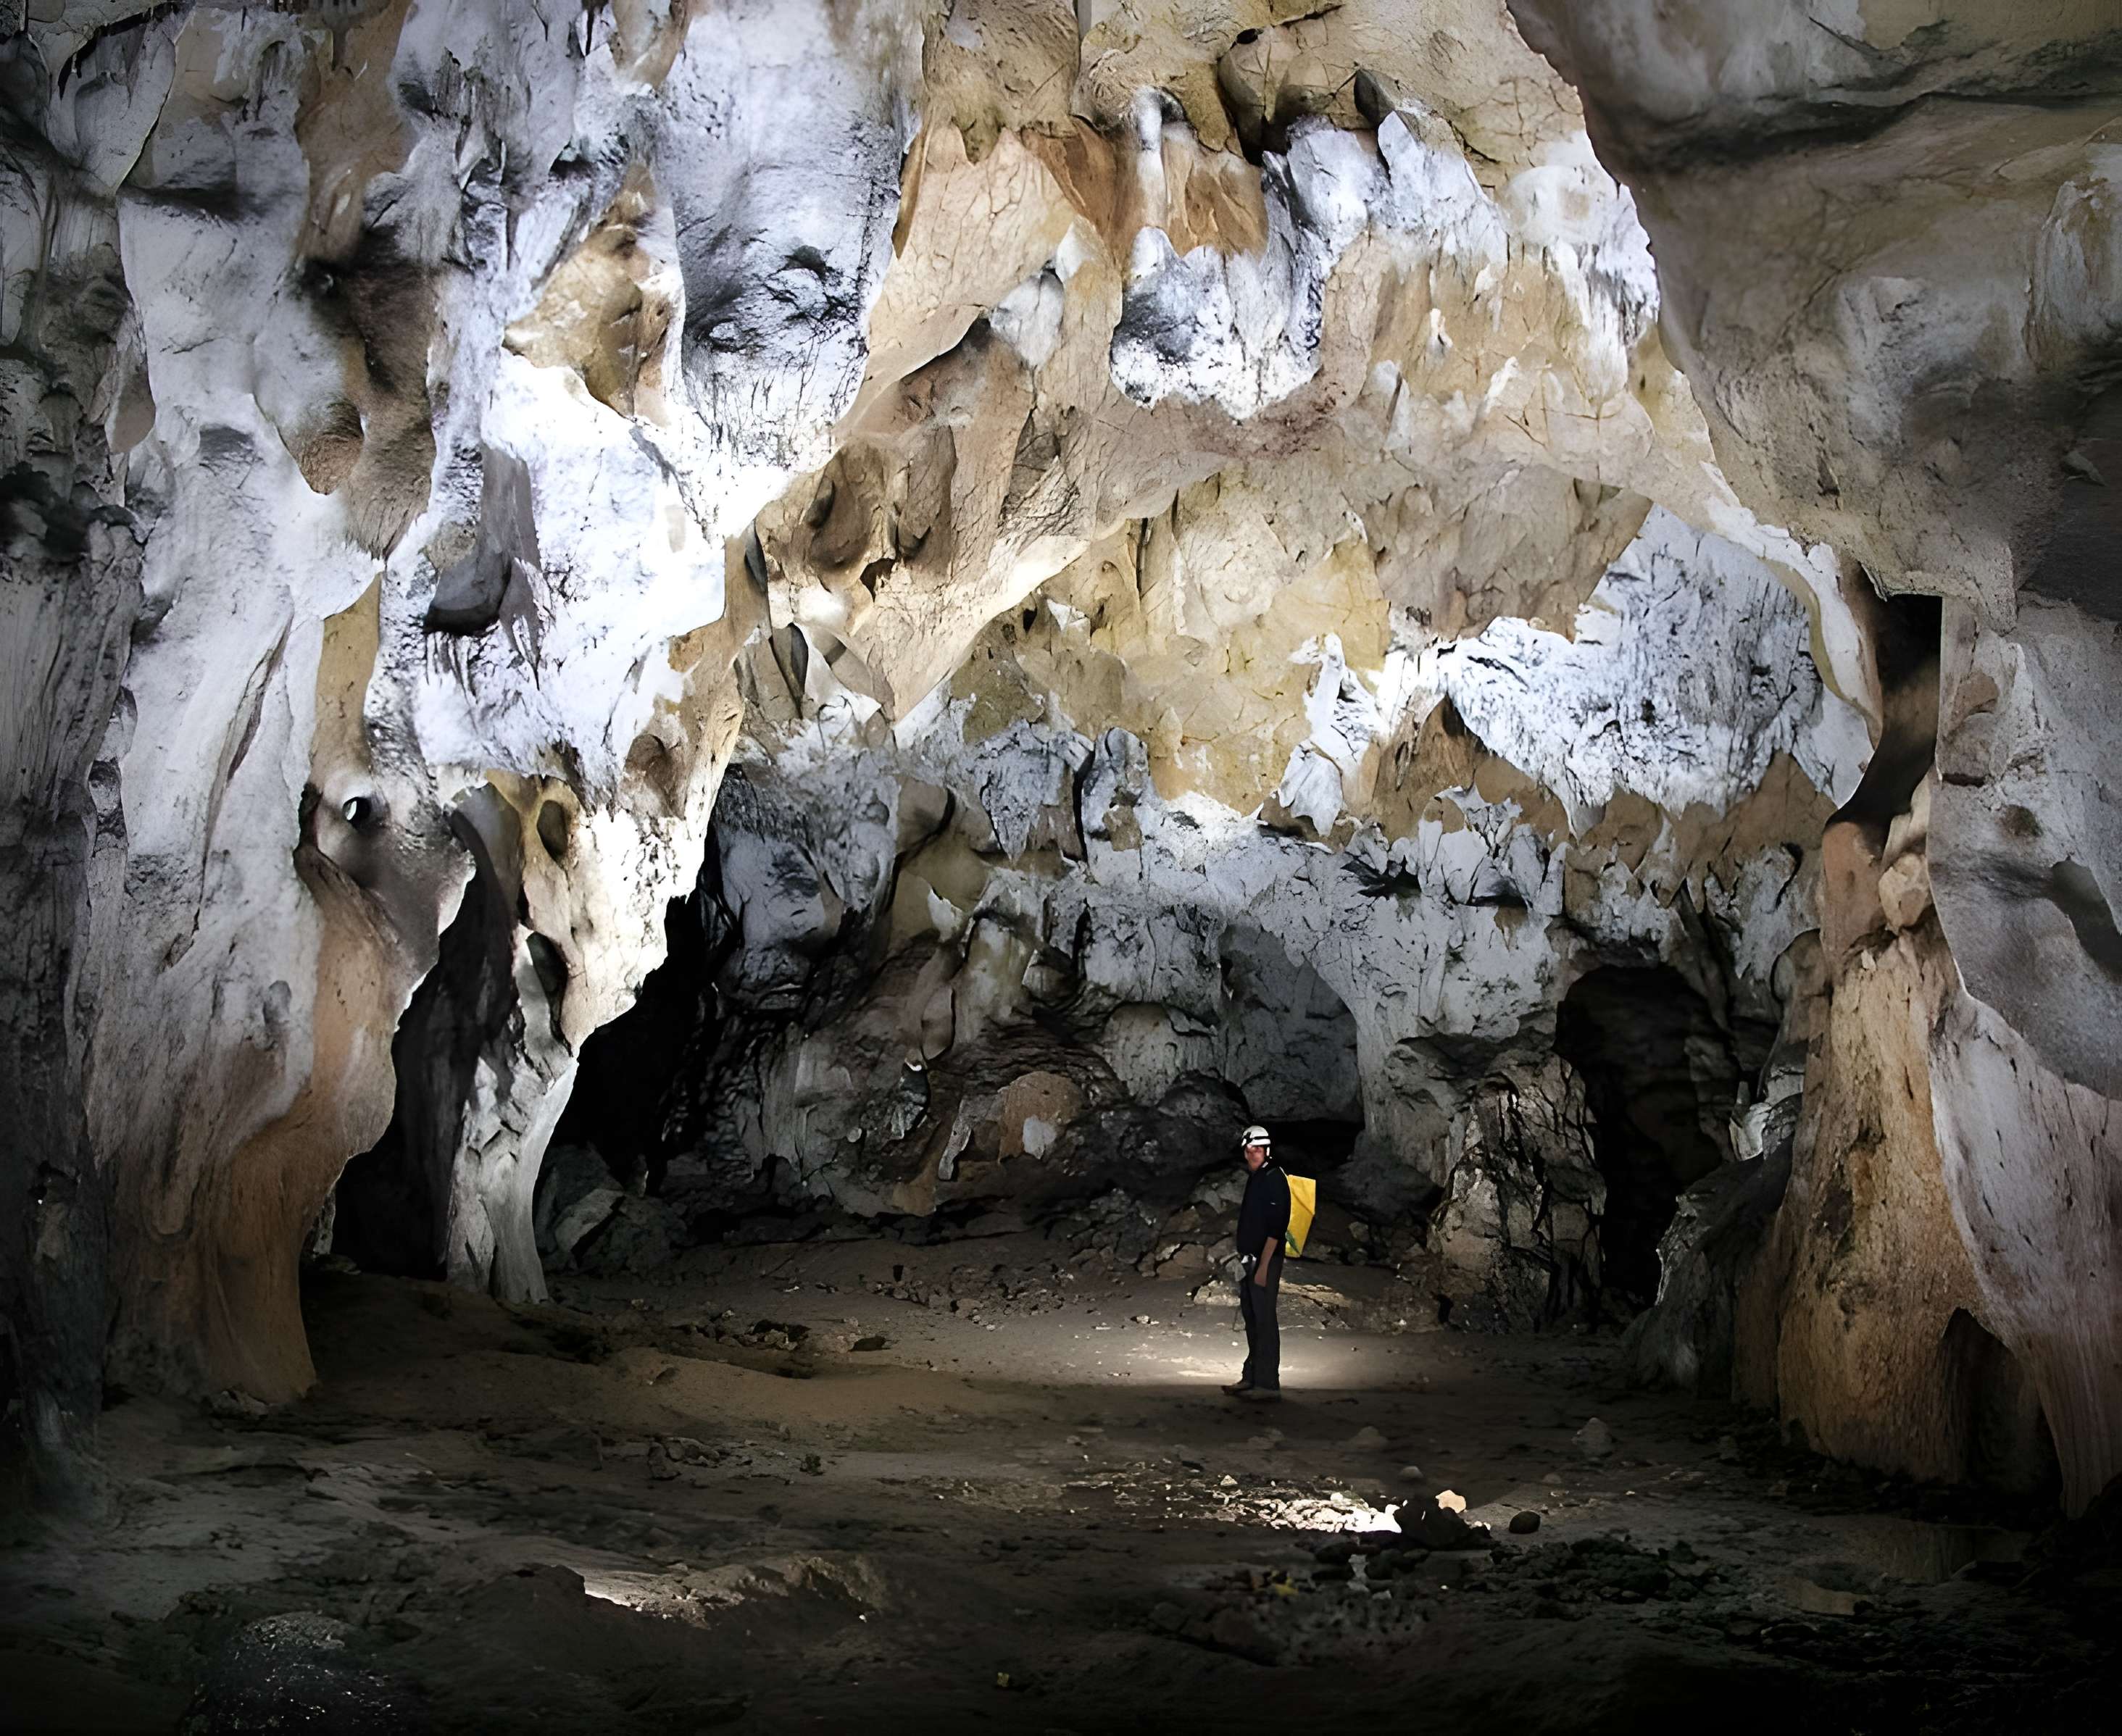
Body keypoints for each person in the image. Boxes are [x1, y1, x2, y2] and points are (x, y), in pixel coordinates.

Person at [1223, 1124, 1289, 1401]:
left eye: (1258, 1149)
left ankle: (1267, 1384)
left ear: (1267, 1151)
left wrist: (1263, 1266)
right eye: (1249, 1149)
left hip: (1266, 1261)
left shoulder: (1274, 1177)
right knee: (1252, 1319)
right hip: (1250, 1260)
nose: (1252, 1154)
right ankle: (1251, 1376)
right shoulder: (1257, 1176)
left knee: (1264, 1320)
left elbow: (1277, 1227)